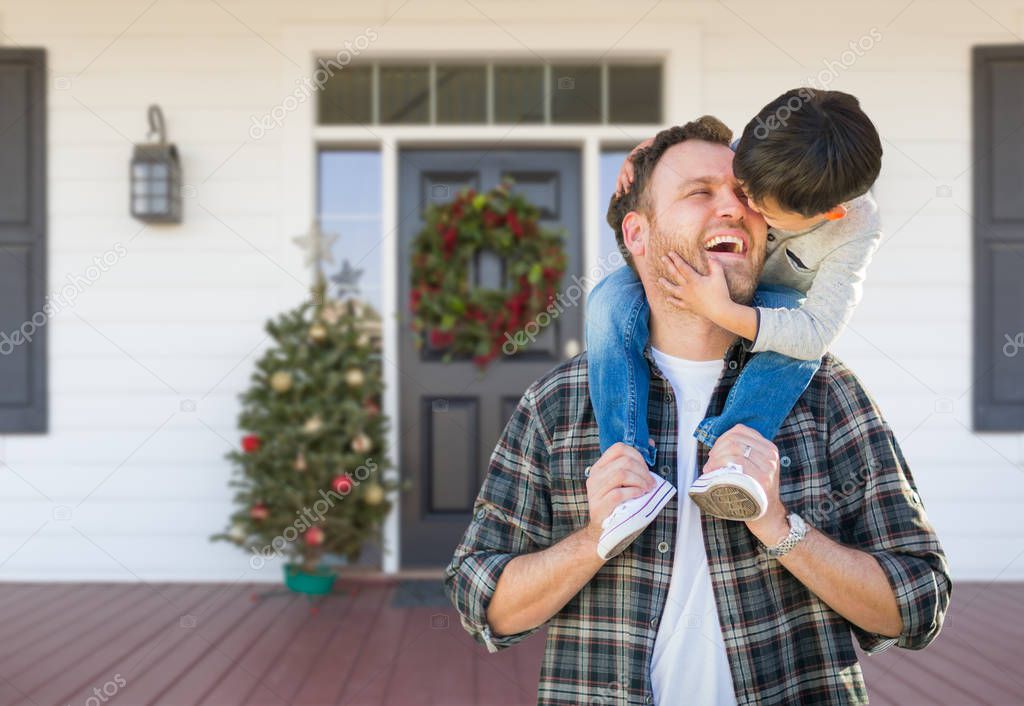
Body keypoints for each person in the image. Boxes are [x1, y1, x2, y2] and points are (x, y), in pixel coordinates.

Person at [443, 116, 949, 705]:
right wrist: (593, 538)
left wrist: (780, 528)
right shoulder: (557, 404)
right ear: (637, 234)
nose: (733, 208)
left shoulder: (828, 393)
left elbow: (917, 605)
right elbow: (483, 605)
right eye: (698, 192)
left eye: (743, 194)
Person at [589, 89, 884, 558]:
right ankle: (625, 463)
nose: (738, 205)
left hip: (769, 308)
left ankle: (736, 454)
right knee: (605, 300)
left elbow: (815, 332)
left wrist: (723, 311)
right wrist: (650, 151)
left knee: (796, 345)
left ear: (826, 214)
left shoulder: (853, 228)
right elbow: (700, 152)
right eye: (740, 179)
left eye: (756, 204)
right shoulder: (770, 143)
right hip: (711, 285)